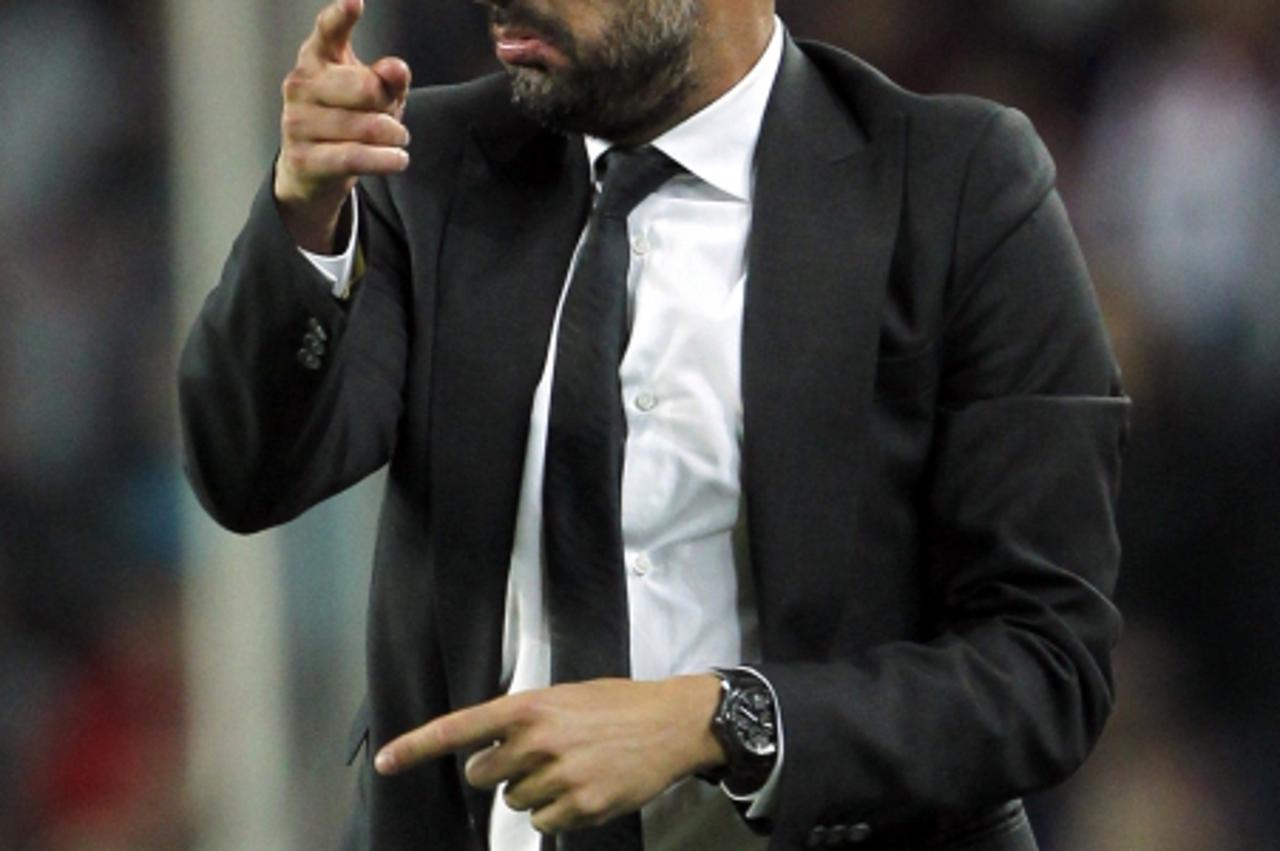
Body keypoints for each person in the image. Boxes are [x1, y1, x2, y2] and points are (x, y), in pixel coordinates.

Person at [177, 0, 1128, 847]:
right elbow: (250, 474)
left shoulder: (955, 187)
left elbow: (1044, 667)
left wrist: (718, 719)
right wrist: (303, 216)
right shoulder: (424, 169)